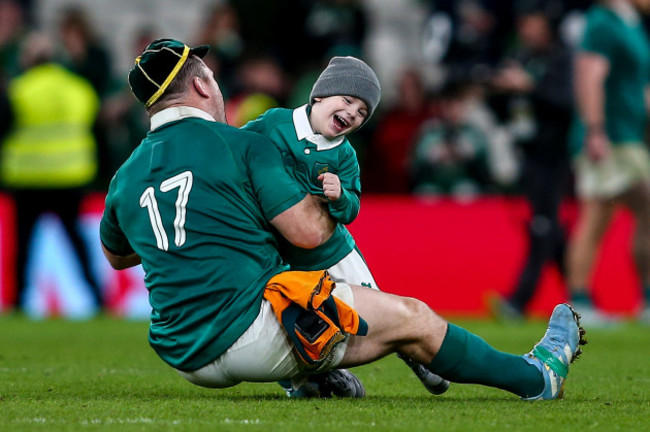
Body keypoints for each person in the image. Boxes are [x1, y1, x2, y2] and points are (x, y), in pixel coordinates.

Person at [100, 38, 586, 402]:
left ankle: (311, 380)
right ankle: (537, 377)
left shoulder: (125, 177)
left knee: (281, 277)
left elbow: (118, 255)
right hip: (249, 334)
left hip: (181, 352)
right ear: (203, 84)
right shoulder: (244, 144)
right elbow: (309, 232)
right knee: (411, 318)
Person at [241, 56, 449, 396]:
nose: (353, 113)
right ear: (319, 96)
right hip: (286, 254)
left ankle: (414, 352)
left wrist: (339, 197)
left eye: (362, 112)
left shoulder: (345, 155)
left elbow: (352, 207)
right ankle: (310, 381)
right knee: (296, 321)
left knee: (379, 309)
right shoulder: (274, 123)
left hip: (335, 252)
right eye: (348, 101)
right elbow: (236, 147)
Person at [0, 31, 102, 313]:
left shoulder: (19, 89)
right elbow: (96, 130)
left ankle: (18, 302)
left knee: (22, 248)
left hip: (29, 179)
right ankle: (98, 298)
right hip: (71, 177)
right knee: (77, 245)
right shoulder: (80, 89)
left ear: (30, 59)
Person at [489, 1, 573, 320]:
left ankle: (518, 301)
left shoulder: (563, 58)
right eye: (523, 24)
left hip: (556, 155)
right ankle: (581, 295)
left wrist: (530, 87)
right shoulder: (522, 57)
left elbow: (567, 103)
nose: (526, 30)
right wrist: (499, 90)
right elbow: (503, 109)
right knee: (548, 227)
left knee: (542, 226)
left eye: (533, 24)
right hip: (527, 152)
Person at [567, 0, 650, 324]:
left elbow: (637, 85)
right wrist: (595, 129)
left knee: (601, 215)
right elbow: (589, 75)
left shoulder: (630, 24)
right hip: (611, 137)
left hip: (628, 136)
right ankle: (581, 301)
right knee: (599, 215)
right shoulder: (603, 22)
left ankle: (584, 300)